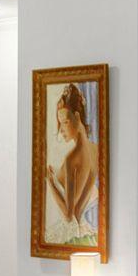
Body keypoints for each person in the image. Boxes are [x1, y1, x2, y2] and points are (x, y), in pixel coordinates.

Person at [45, 83, 98, 244]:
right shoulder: (96, 150)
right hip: (82, 230)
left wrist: (50, 183)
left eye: (65, 122)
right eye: (60, 123)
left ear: (77, 117)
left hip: (71, 233)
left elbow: (69, 216)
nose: (61, 129)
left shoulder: (71, 159)